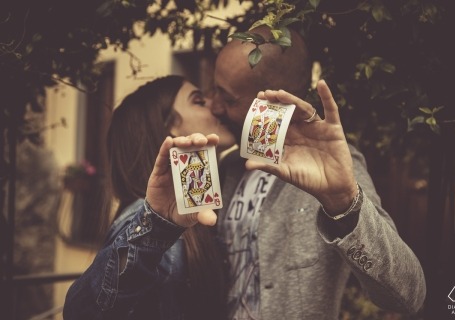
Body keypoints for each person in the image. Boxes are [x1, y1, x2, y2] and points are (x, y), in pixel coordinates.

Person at [210, 26, 427, 319]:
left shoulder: (334, 169)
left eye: (228, 98)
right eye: (214, 90)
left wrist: (344, 202)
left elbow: (409, 294)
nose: (214, 106)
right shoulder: (228, 169)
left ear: (275, 100)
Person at [63, 75, 236, 319]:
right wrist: (154, 227)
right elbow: (85, 313)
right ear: (169, 128)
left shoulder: (192, 210)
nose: (216, 106)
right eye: (199, 101)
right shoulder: (149, 219)